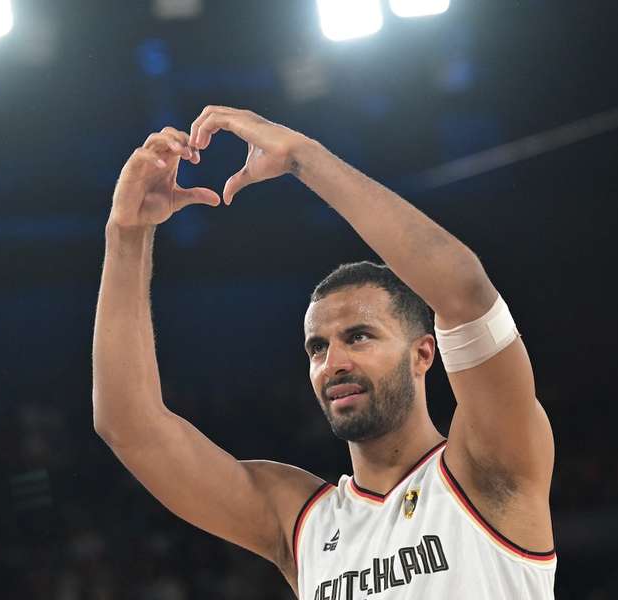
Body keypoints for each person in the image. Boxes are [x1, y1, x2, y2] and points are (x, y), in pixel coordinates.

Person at [92, 106, 556, 598]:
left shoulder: (488, 467)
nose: (333, 364)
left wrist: (303, 159)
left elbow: (465, 293)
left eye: (359, 336)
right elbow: (129, 426)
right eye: (317, 347)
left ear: (424, 354)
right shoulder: (301, 521)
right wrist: (127, 234)